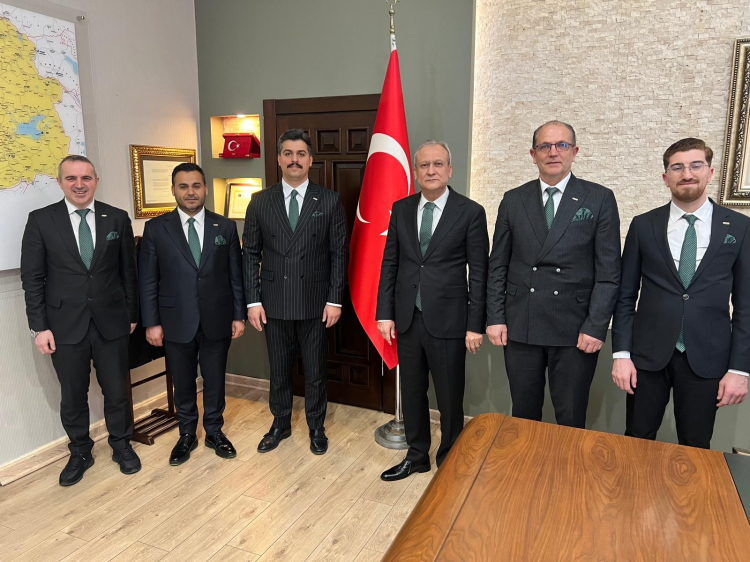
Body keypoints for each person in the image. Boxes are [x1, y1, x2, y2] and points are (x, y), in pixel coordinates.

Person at [612, 138, 749, 448]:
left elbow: (746, 306)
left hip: (708, 357)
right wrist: (621, 355)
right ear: (666, 177)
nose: (687, 174)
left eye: (695, 165)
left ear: (710, 172)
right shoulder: (643, 226)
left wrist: (739, 369)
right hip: (647, 356)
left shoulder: (740, 228)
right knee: (637, 439)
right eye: (677, 167)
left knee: (696, 444)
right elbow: (625, 295)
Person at [486, 121, 621, 428]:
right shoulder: (513, 199)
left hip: (575, 329)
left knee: (570, 417)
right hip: (521, 323)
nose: (553, 152)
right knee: (524, 414)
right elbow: (498, 265)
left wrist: (597, 325)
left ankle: (565, 463)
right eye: (544, 146)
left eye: (562, 145)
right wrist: (495, 317)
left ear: (574, 151)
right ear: (533, 154)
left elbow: (609, 272)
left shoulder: (598, 198)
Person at [21, 155, 141, 486]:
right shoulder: (41, 220)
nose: (79, 184)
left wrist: (132, 314)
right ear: (60, 182)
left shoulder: (116, 218)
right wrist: (39, 327)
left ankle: (121, 445)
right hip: (63, 325)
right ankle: (80, 452)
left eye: (86, 177)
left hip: (111, 322)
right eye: (71, 178)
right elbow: (33, 279)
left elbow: (128, 272)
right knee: (73, 395)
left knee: (117, 391)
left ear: (96, 181)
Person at [376, 140, 489, 481]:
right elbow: (390, 262)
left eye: (438, 164)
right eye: (424, 165)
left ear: (449, 170)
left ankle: (450, 457)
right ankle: (417, 455)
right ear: (415, 172)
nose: (431, 171)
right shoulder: (401, 208)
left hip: (450, 320)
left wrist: (475, 325)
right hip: (408, 318)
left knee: (449, 395)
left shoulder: (470, 212)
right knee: (412, 392)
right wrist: (384, 312)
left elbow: (479, 273)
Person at [243, 129, 347, 455]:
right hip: (273, 301)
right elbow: (250, 253)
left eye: (301, 154)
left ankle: (316, 426)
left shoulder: (328, 200)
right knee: (279, 370)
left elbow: (339, 254)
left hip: (315, 302)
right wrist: (253, 300)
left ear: (310, 160)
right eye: (288, 153)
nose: (294, 160)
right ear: (278, 159)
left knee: (315, 372)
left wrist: (335, 299)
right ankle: (280, 424)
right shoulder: (260, 201)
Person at [139, 163, 245, 465]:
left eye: (196, 186)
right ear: (173, 190)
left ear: (205, 189)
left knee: (215, 380)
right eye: (183, 186)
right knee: (183, 382)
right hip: (175, 320)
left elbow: (235, 275)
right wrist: (152, 322)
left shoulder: (225, 226)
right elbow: (148, 280)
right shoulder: (156, 229)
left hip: (217, 318)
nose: (190, 192)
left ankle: (214, 431)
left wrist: (238, 315)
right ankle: (186, 434)